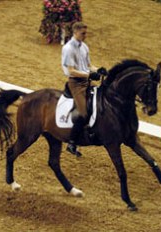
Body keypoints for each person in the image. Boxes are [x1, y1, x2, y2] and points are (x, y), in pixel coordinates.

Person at [61, 22, 107, 157]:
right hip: (75, 84)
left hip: (87, 82)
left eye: (85, 33)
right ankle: (72, 142)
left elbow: (88, 65)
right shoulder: (68, 49)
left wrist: (99, 70)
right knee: (83, 112)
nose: (85, 36)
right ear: (75, 32)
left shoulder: (84, 47)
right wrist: (88, 74)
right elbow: (70, 71)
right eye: (83, 33)